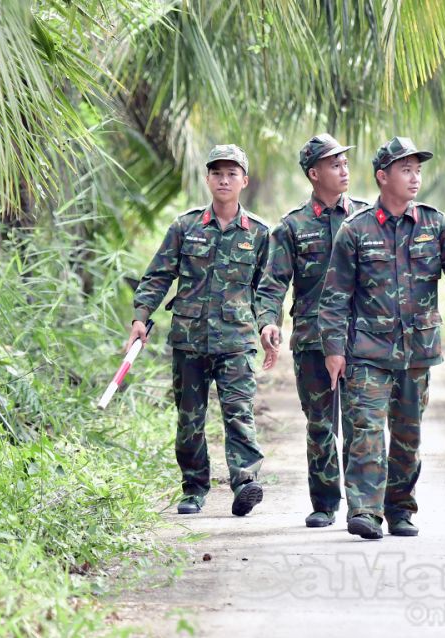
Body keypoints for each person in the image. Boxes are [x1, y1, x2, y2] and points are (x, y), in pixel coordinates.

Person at [318, 136, 445, 540]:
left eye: (418, 170)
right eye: (406, 170)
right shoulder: (356, 231)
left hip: (418, 352)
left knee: (408, 436)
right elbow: (335, 297)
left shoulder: (434, 223)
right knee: (367, 430)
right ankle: (365, 513)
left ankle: (400, 510)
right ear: (382, 177)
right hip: (368, 351)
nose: (415, 178)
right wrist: (334, 351)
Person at [125, 144, 269, 517]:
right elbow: (158, 275)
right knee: (190, 417)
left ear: (244, 181)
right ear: (207, 179)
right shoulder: (185, 227)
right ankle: (194, 488)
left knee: (239, 412)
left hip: (236, 341)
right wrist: (141, 316)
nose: (224, 179)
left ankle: (246, 482)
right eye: (217, 173)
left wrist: (270, 325)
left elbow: (267, 289)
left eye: (232, 173)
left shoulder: (259, 234)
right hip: (189, 340)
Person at [254, 134, 367, 528]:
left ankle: (362, 505)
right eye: (334, 165)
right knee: (320, 425)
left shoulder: (366, 218)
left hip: (360, 340)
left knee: (360, 425)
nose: (344, 170)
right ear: (314, 173)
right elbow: (272, 283)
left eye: (345, 163)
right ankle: (324, 503)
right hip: (312, 342)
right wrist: (269, 321)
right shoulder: (292, 227)